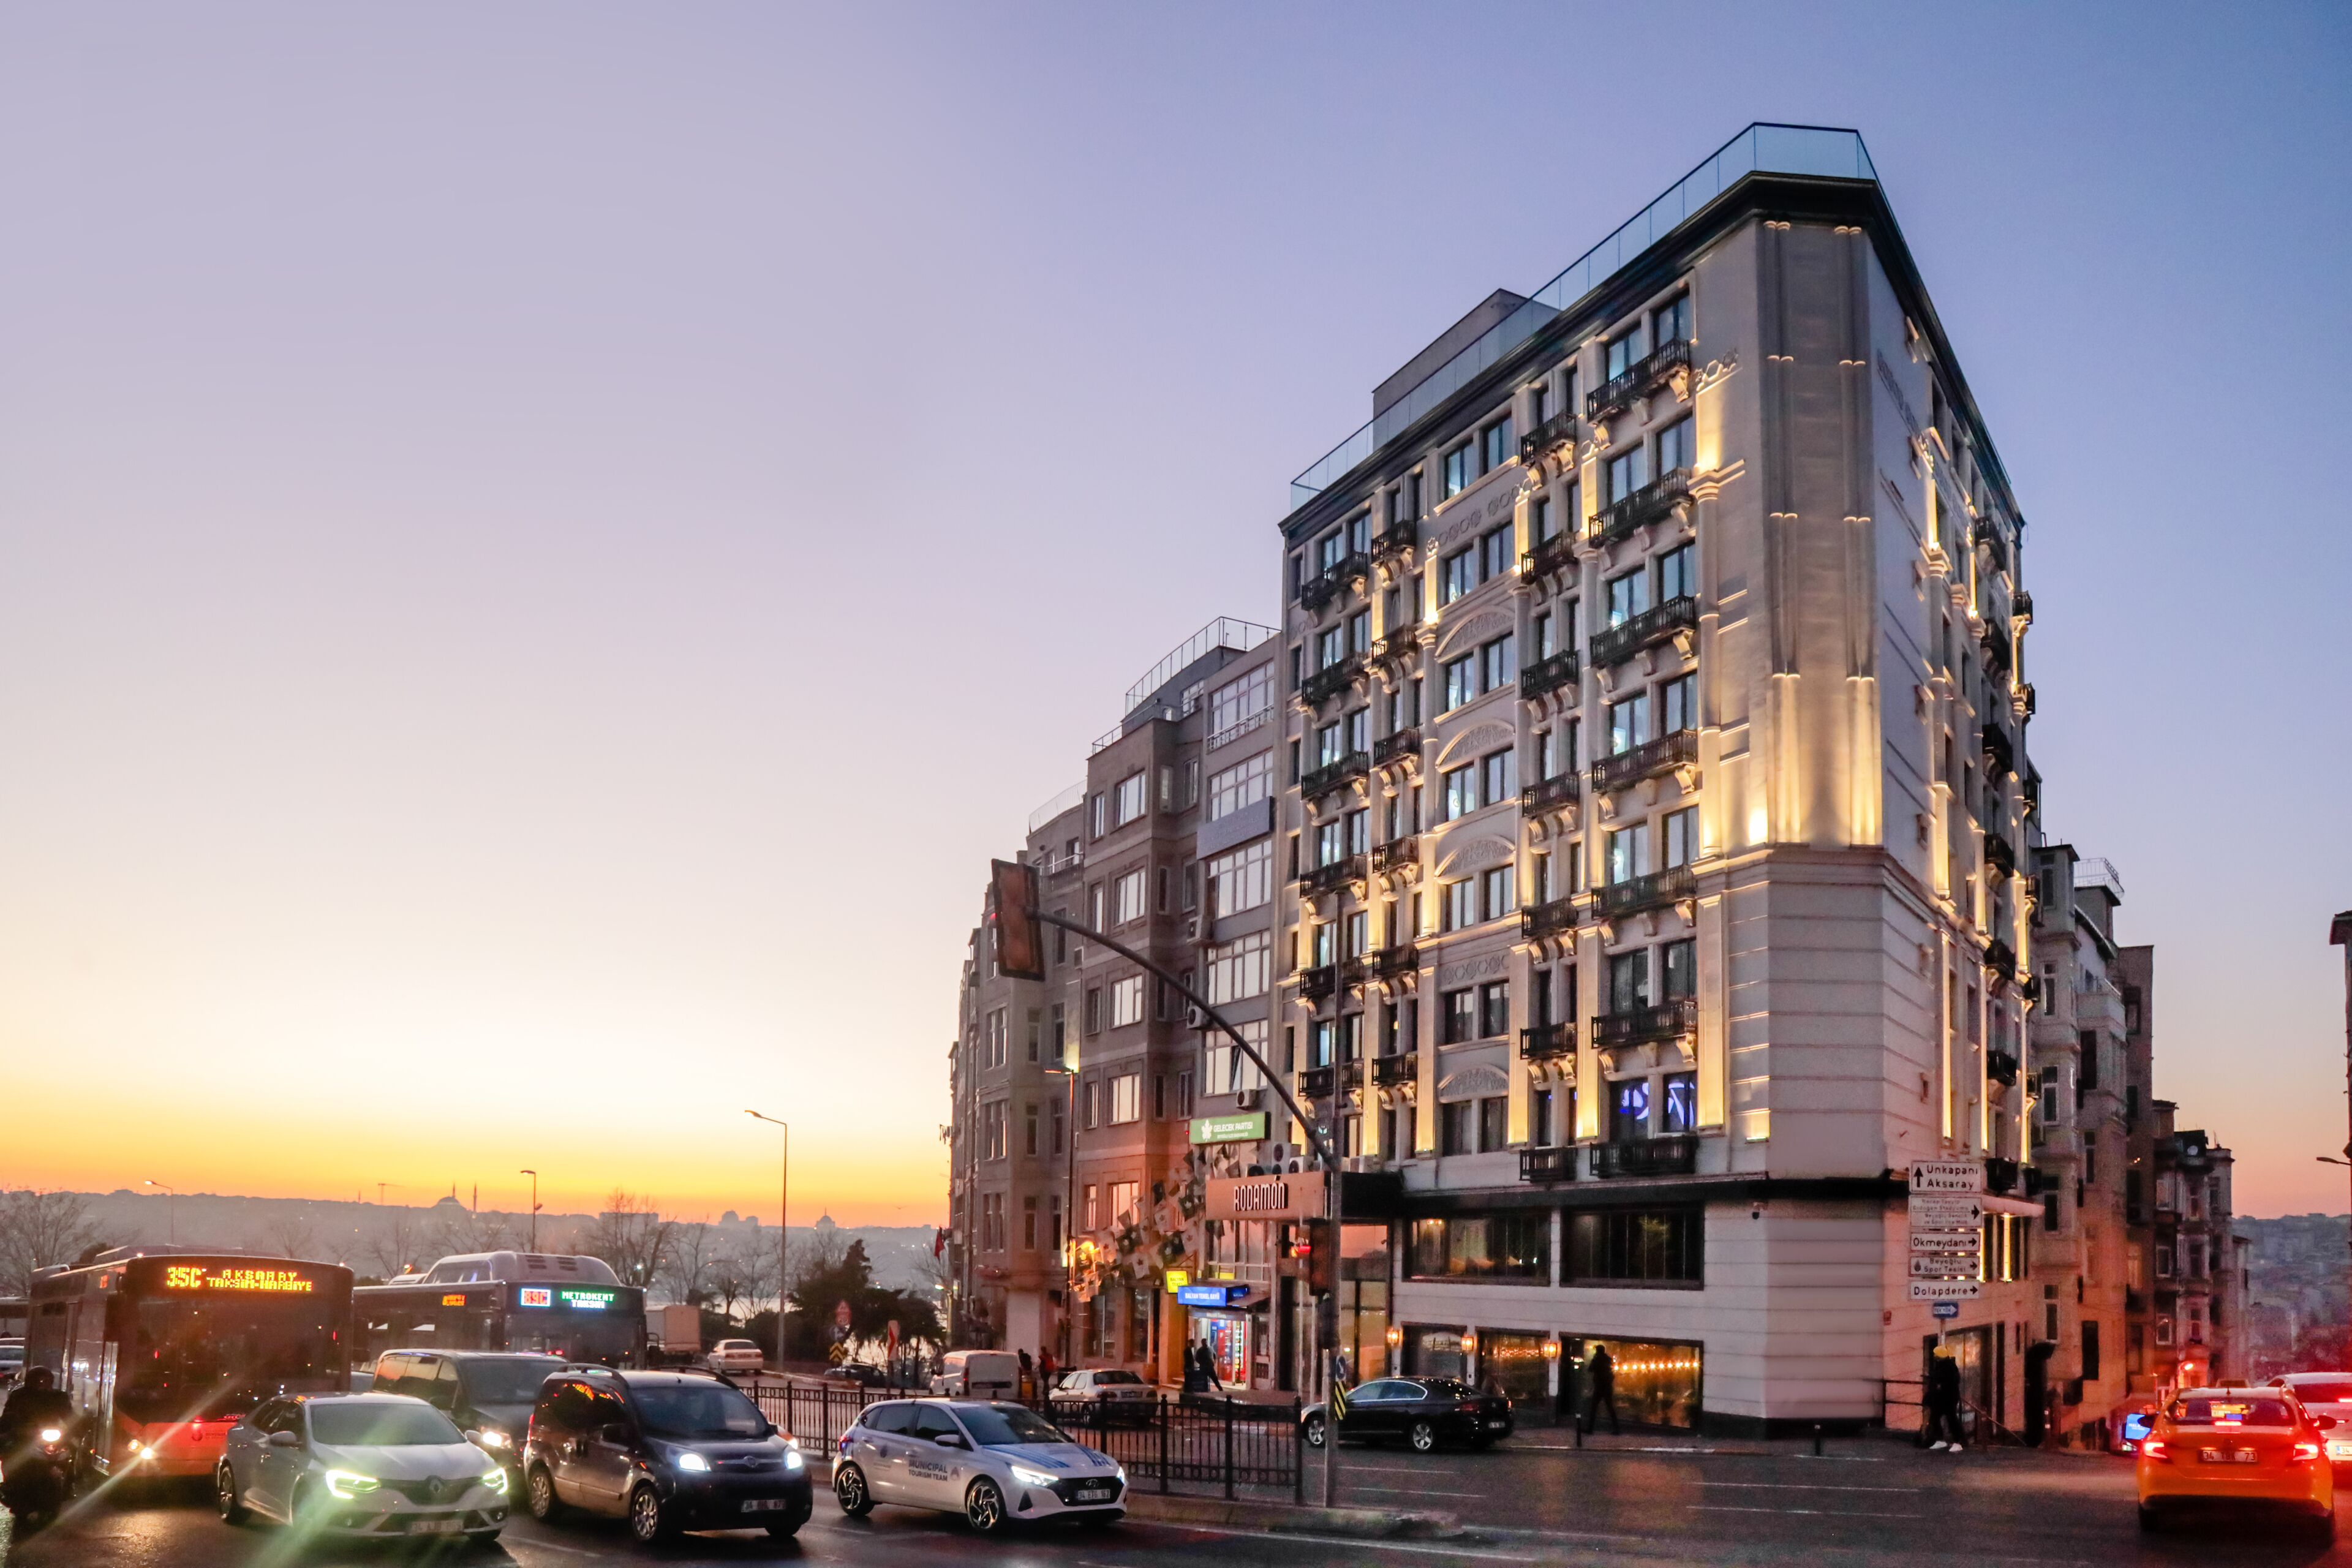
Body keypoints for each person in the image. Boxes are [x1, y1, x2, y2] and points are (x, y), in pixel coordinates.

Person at [0, 1368, 74, 1479]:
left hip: (50, 1433)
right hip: (23, 1435)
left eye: (45, 1381)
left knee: (71, 1449)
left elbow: (69, 1415)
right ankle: (10, 1480)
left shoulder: (59, 1396)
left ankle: (69, 1480)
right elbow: (8, 1414)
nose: (42, 1383)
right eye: (38, 1380)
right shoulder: (19, 1395)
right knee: (9, 1447)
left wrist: (77, 1429)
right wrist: (10, 1426)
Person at [1926, 1346, 1965, 1451]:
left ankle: (1957, 1442)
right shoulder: (1944, 1365)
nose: (1935, 1357)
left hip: (1948, 1397)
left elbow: (1954, 1381)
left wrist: (1941, 1385)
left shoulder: (1950, 1367)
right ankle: (1941, 1440)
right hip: (1941, 1397)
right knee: (1935, 1418)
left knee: (1951, 1419)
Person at [1586, 1343, 1619, 1435]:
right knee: (1610, 1408)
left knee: (1594, 1408)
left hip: (1600, 1387)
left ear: (1598, 1351)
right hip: (1608, 1387)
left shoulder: (1597, 1359)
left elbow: (1590, 1369)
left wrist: (1594, 1359)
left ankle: (1590, 1429)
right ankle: (1616, 1429)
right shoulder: (1609, 1360)